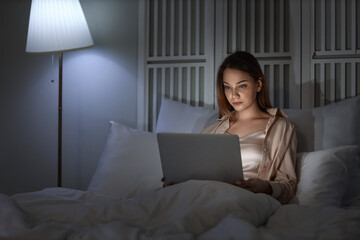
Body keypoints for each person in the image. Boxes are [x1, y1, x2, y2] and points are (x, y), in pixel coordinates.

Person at [202, 51, 297, 204]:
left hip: (247, 200)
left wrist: (265, 186)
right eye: (227, 87)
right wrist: (179, 182)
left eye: (242, 86)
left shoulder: (281, 127)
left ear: (258, 84)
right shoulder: (210, 130)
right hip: (208, 196)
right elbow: (199, 176)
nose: (234, 95)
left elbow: (288, 185)